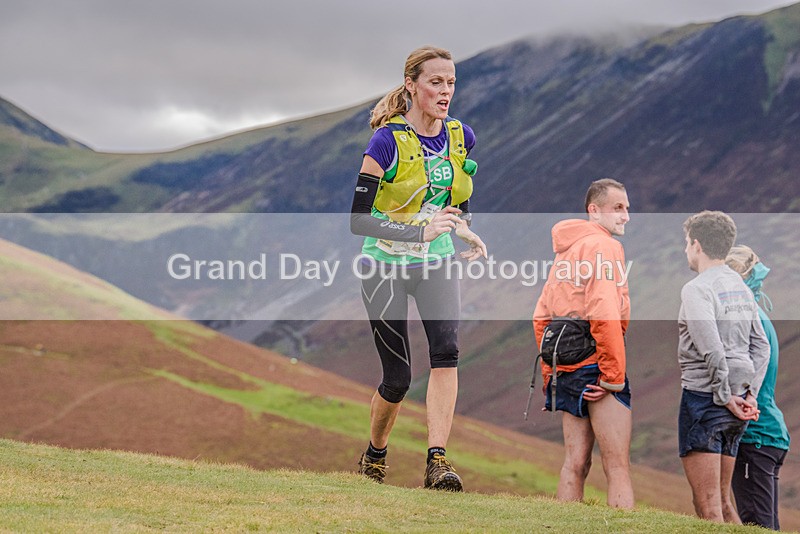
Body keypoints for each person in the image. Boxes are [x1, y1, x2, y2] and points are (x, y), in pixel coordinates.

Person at [349, 46, 487, 491]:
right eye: (435, 82)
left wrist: (463, 230)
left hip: (437, 262)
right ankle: (375, 455)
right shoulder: (385, 142)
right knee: (398, 378)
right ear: (411, 85)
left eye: (451, 82)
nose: (445, 91)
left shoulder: (461, 136)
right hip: (383, 265)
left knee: (446, 355)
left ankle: (437, 462)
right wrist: (419, 233)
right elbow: (358, 219)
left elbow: (455, 198)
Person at [532, 178, 634, 509]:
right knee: (617, 467)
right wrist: (612, 378)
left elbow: (541, 316)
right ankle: (623, 530)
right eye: (617, 207)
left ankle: (562, 526)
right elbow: (604, 312)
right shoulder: (605, 247)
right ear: (594, 210)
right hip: (597, 367)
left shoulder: (566, 251)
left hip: (566, 368)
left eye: (627, 208)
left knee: (574, 464)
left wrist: (551, 374)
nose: (625, 216)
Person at [677, 211, 770, 523]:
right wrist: (749, 395)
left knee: (708, 506)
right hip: (738, 401)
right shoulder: (740, 286)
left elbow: (712, 348)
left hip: (706, 399)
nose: (686, 250)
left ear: (697, 245)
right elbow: (761, 345)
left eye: (687, 243)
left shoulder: (697, 289)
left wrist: (724, 396)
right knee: (723, 501)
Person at [726, 245, 790, 530]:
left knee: (756, 524)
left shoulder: (746, 319)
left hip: (755, 435)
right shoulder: (760, 316)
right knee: (766, 525)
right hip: (769, 434)